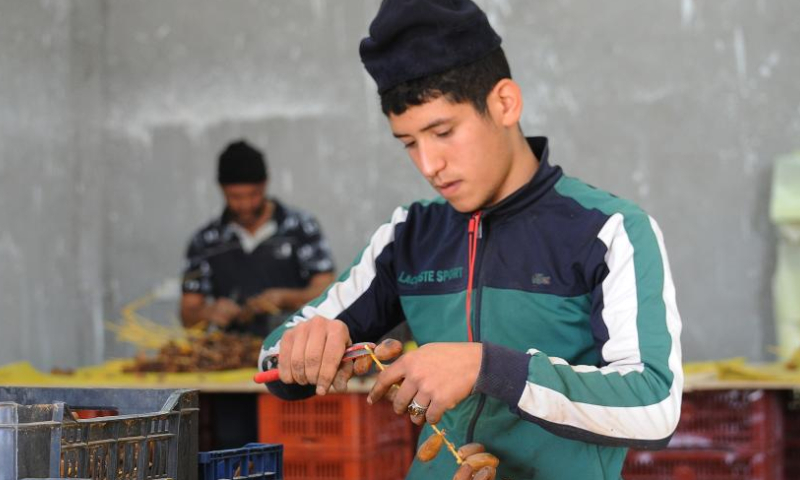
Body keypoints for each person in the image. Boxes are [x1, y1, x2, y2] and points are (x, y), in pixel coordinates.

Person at [259, 1, 683, 478]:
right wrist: (309, 346)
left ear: (504, 103)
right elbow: (270, 358)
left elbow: (654, 406)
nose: (428, 165)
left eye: (443, 132)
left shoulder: (607, 230)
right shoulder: (409, 235)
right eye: (409, 143)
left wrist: (487, 367)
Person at [181, 140, 335, 338]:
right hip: (231, 353)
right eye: (235, 197)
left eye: (253, 194)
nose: (245, 204)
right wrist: (209, 312)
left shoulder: (300, 227)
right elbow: (187, 313)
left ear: (265, 184)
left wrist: (285, 298)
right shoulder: (205, 241)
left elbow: (326, 289)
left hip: (291, 344)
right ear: (221, 189)